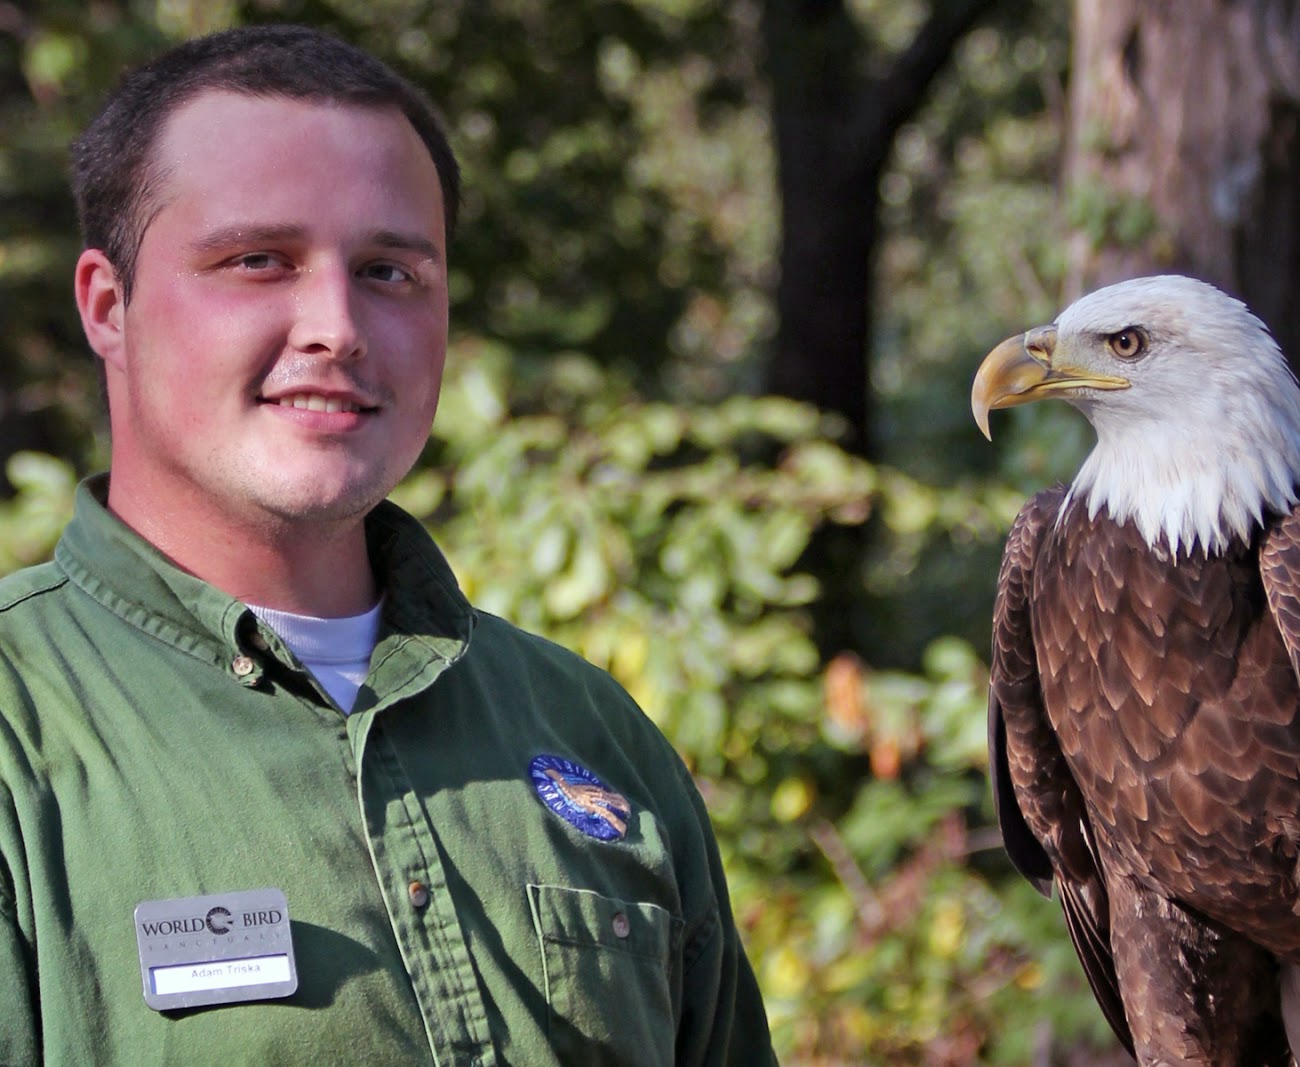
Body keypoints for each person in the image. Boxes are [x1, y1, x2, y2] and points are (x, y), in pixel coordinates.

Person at [0, 24, 776, 1066]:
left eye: (388, 270)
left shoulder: (591, 731)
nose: (337, 325)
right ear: (108, 305)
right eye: (257, 260)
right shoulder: (21, 738)